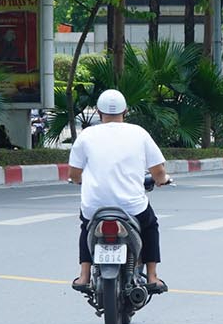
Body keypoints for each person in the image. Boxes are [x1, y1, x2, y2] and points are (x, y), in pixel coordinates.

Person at [68, 89, 168, 295]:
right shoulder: (139, 133)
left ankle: (84, 275)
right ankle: (152, 276)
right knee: (150, 225)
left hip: (95, 206)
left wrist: (78, 181)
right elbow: (158, 170)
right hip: (131, 206)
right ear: (126, 111)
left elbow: (74, 173)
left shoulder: (86, 135)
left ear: (98, 111)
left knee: (86, 226)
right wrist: (162, 180)